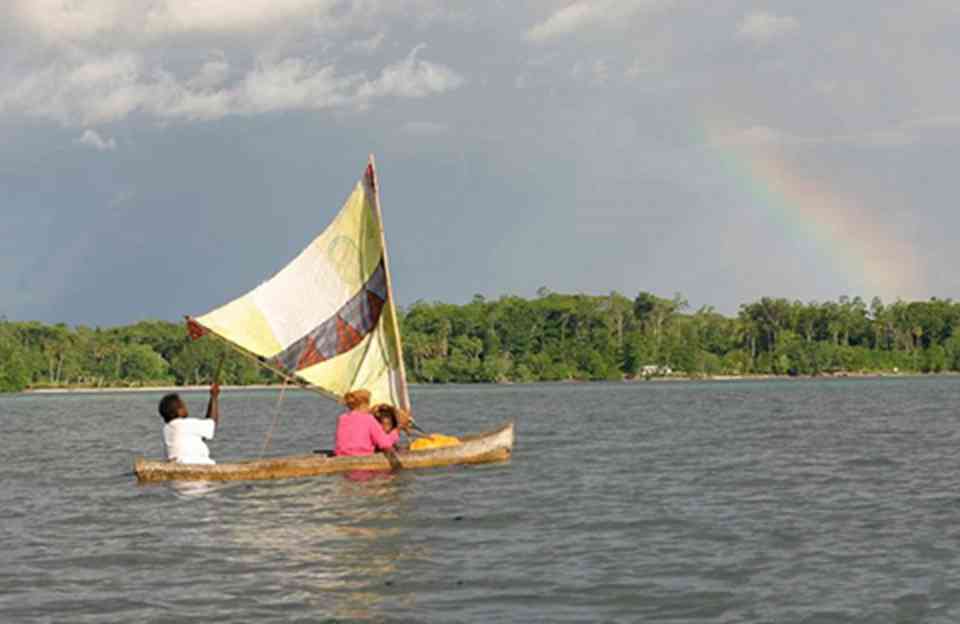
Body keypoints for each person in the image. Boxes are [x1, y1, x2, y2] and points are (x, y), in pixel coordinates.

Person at [334, 389, 410, 456]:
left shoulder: (342, 418)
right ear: (364, 405)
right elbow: (385, 444)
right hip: (362, 457)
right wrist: (398, 429)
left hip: (340, 455)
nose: (369, 408)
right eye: (368, 405)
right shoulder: (369, 419)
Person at [158, 384, 221, 464]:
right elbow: (211, 423)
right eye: (183, 405)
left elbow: (205, 431)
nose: (186, 407)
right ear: (179, 411)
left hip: (177, 464)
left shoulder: (167, 429)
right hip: (198, 464)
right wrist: (214, 397)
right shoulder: (186, 425)